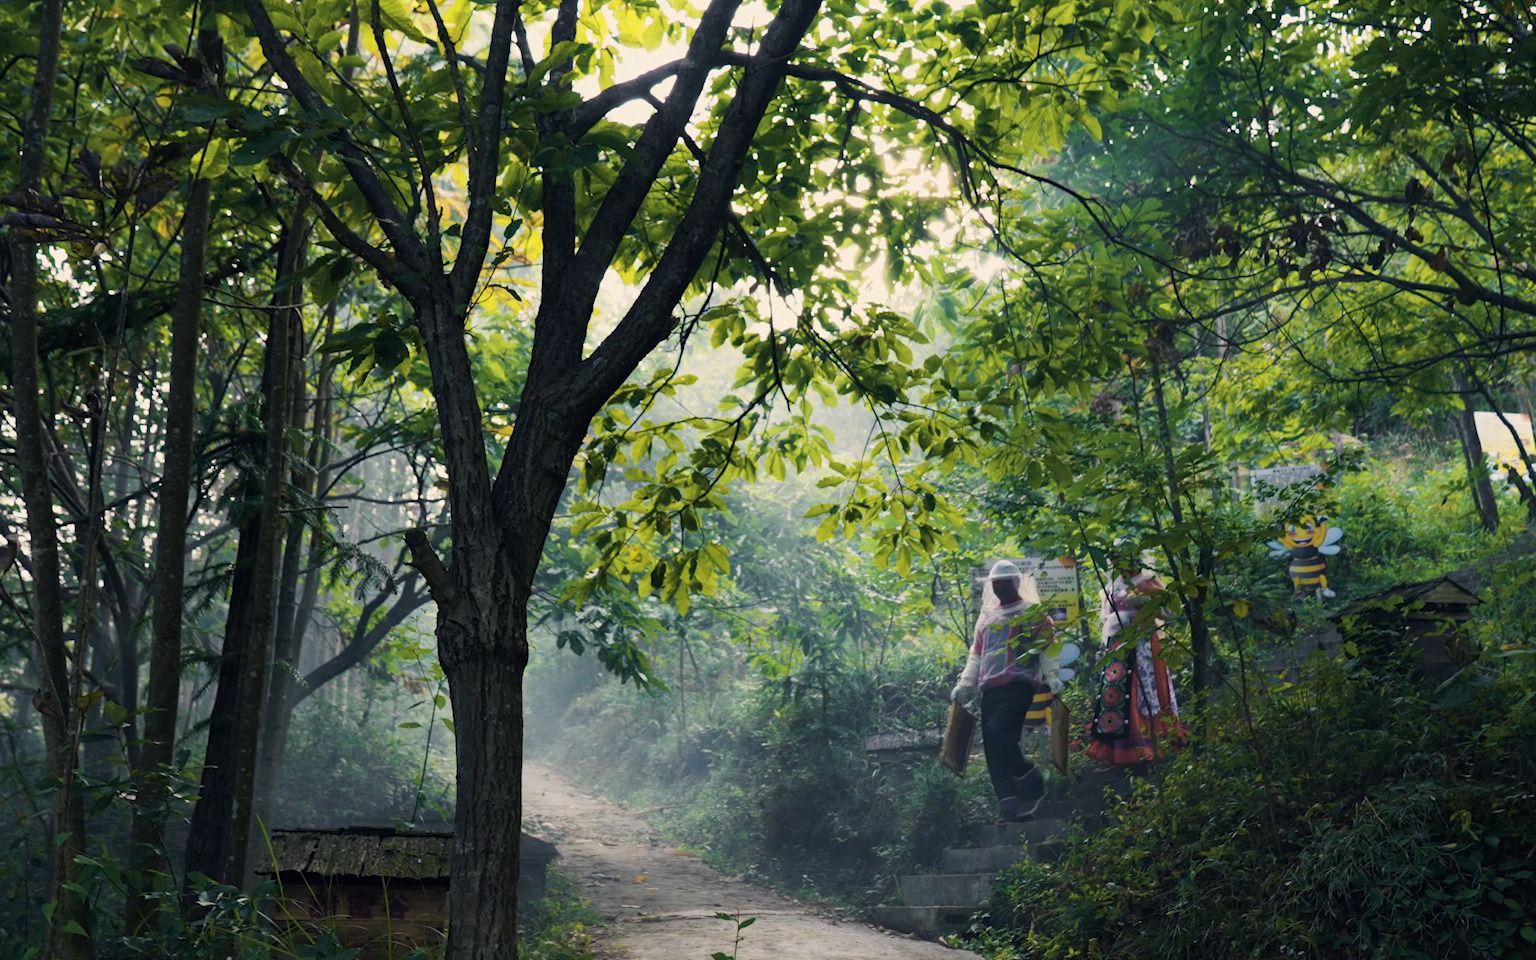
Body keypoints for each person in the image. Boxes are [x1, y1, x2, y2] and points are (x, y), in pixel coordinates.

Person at [951, 560, 1062, 821]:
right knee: (992, 743)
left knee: (1000, 731)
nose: (1000, 586)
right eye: (995, 583)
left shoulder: (1033, 614)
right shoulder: (987, 619)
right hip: (988, 688)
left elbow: (1047, 647)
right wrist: (963, 684)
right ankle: (1008, 803)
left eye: (1004, 582)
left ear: (1015, 583)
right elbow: (976, 656)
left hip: (1019, 683)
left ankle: (1031, 779)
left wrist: (1053, 676)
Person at [1085, 550, 1186, 765]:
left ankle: (1151, 741)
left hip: (1144, 645)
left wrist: (1148, 602)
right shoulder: (1112, 586)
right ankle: (1117, 744)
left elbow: (1170, 612)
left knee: (1146, 691)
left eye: (1124, 558)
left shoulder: (1148, 582)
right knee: (1118, 691)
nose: (1120, 564)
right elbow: (1105, 616)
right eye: (1116, 560)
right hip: (1117, 647)